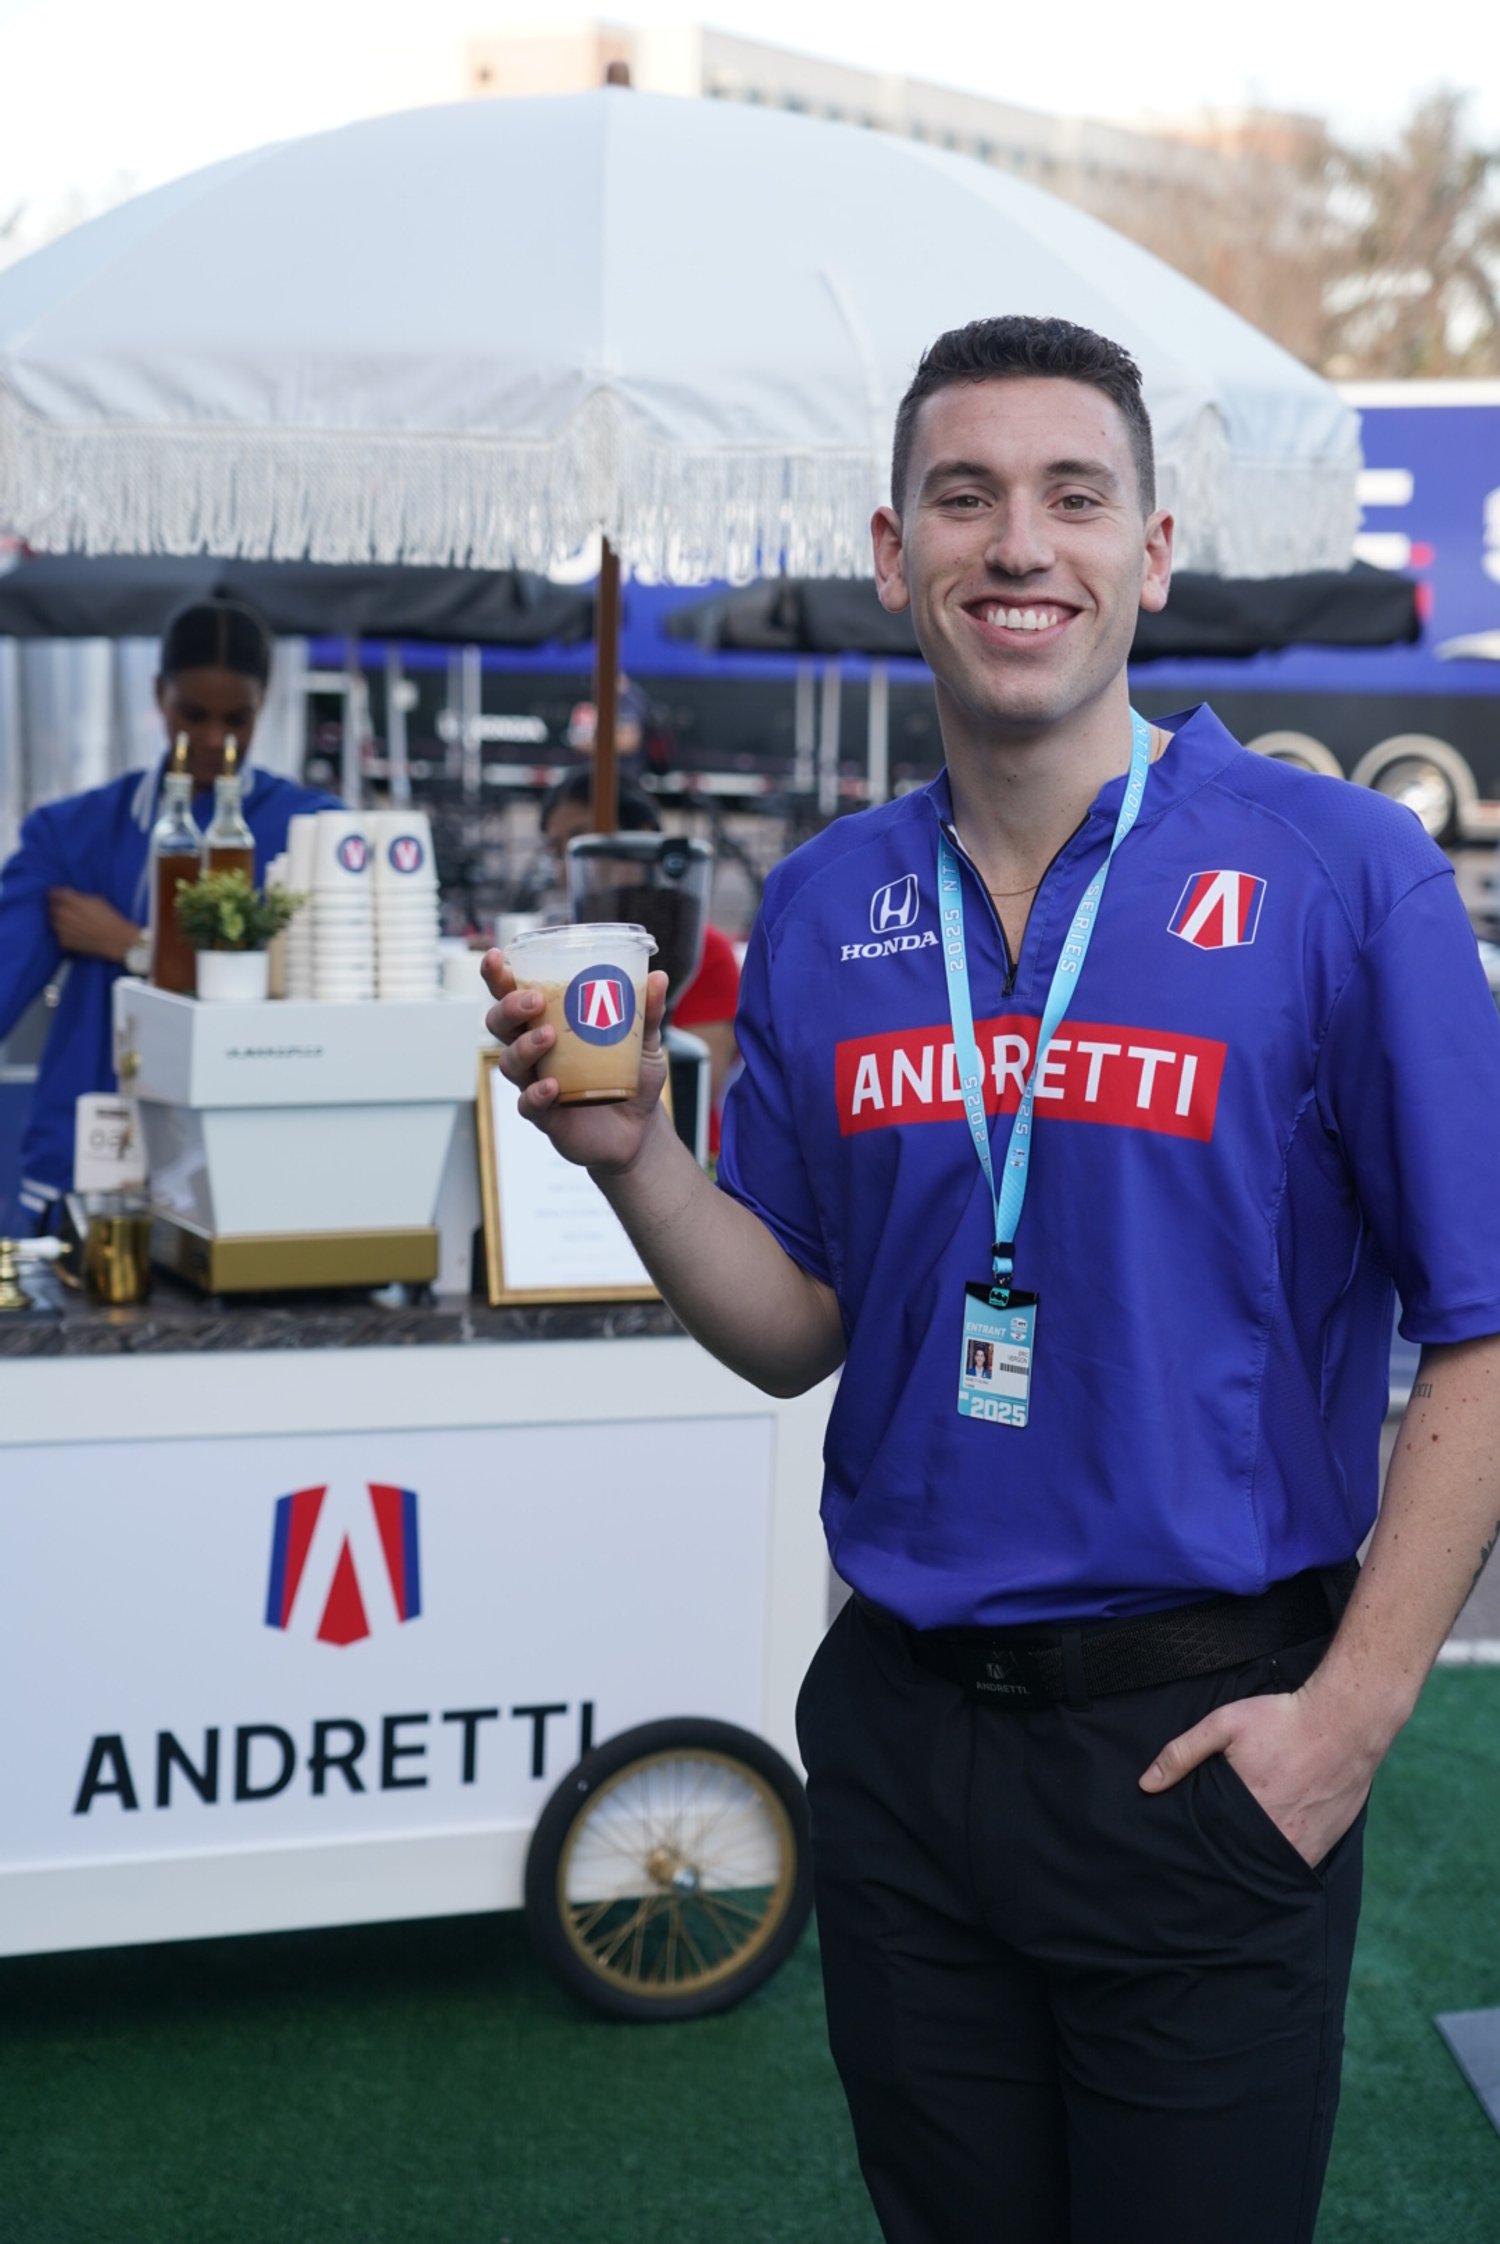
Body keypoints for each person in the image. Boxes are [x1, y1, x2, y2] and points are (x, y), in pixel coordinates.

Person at [484, 316, 1500, 2244]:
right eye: (966, 497)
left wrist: (1352, 1718)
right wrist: (634, 1163)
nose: (1017, 541)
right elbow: (795, 1325)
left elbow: (1490, 1319)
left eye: (1070, 496)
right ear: (895, 551)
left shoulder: (1339, 871)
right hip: (900, 1744)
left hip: (1210, 1732)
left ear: (1154, 550)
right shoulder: (822, 903)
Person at [0, 598, 339, 1228]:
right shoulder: (71, 833)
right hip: (86, 1162)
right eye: (193, 715)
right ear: (159, 695)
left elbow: (320, 997)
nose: (213, 740)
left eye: (237, 719)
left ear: (265, 704)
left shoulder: (313, 830)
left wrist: (132, 946)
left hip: (249, 1160)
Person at [537, 769, 740, 1153]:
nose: (566, 865)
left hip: (685, 1154)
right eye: (555, 850)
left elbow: (700, 1082)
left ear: (641, 837)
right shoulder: (558, 956)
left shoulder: (706, 952)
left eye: (579, 840)